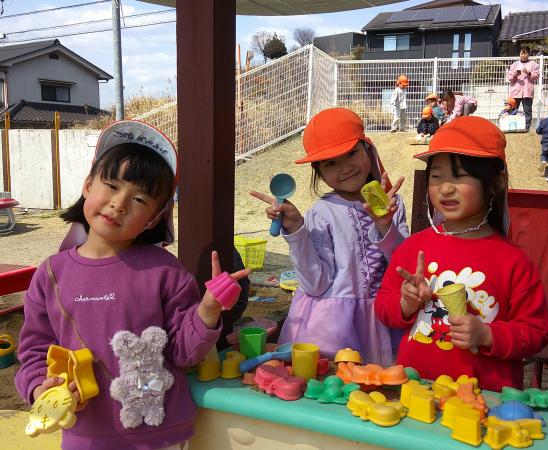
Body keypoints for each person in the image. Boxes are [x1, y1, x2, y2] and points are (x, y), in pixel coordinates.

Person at [15, 120, 249, 450]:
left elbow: (182, 353)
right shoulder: (51, 274)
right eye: (111, 185)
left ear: (153, 218)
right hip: (84, 432)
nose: (119, 203)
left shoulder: (165, 272)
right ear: (88, 185)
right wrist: (42, 387)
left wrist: (208, 308)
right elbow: (35, 351)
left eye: (139, 199)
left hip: (158, 432)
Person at [375, 116, 548, 392]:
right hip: (417, 393)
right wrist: (406, 304)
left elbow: (537, 332)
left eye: (460, 176)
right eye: (437, 176)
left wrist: (487, 335)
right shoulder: (413, 248)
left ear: (496, 182)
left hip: (484, 401)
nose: (446, 188)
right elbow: (383, 309)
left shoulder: (513, 261)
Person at [251, 107, 409, 365]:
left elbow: (404, 267)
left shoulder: (393, 204)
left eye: (352, 153)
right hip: (333, 329)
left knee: (379, 385)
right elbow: (315, 284)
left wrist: (385, 226)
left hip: (384, 319)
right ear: (320, 172)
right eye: (331, 163)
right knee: (334, 384)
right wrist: (297, 230)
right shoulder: (322, 212)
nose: (345, 168)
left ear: (368, 149)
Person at [506, 46, 539, 131]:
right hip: (516, 91)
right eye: (522, 53)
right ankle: (511, 127)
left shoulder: (533, 64)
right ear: (519, 54)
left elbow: (536, 76)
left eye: (525, 53)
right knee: (513, 109)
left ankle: (527, 128)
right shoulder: (515, 64)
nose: (523, 55)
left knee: (527, 110)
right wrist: (515, 75)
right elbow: (509, 77)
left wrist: (528, 73)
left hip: (527, 91)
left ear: (528, 54)